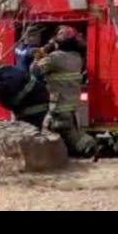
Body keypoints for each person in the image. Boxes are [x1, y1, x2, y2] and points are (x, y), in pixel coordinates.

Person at [30, 26, 99, 159]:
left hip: (58, 106)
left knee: (49, 133)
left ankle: (90, 147)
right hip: (71, 105)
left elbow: (34, 70)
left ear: (58, 42)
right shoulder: (77, 58)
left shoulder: (55, 58)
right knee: (69, 133)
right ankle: (85, 148)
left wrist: (41, 52)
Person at [0, 65, 50, 129]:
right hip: (33, 111)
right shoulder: (6, 71)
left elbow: (12, 92)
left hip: (36, 112)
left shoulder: (4, 78)